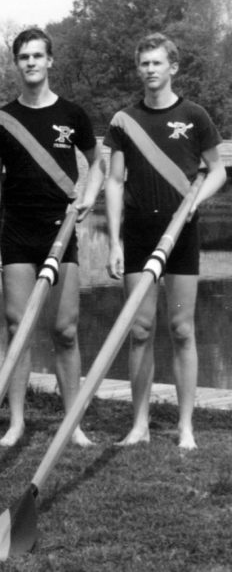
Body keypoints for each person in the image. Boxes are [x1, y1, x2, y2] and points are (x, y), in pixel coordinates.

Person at [0, 28, 104, 447]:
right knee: (18, 328)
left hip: (61, 230)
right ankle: (16, 421)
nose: (31, 62)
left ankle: (74, 422)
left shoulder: (73, 115)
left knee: (66, 331)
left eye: (38, 56)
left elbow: (97, 164)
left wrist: (88, 198)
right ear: (16, 63)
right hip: (16, 232)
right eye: (24, 57)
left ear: (51, 61)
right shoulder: (2, 118)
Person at [103, 33, 226, 450]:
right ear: (138, 69)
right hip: (138, 232)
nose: (150, 70)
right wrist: (116, 243)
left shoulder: (194, 116)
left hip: (181, 232)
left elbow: (218, 171)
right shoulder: (123, 121)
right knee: (139, 330)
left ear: (173, 67)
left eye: (157, 63)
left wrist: (195, 203)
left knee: (181, 328)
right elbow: (115, 181)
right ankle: (139, 425)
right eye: (144, 64)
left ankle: (185, 426)